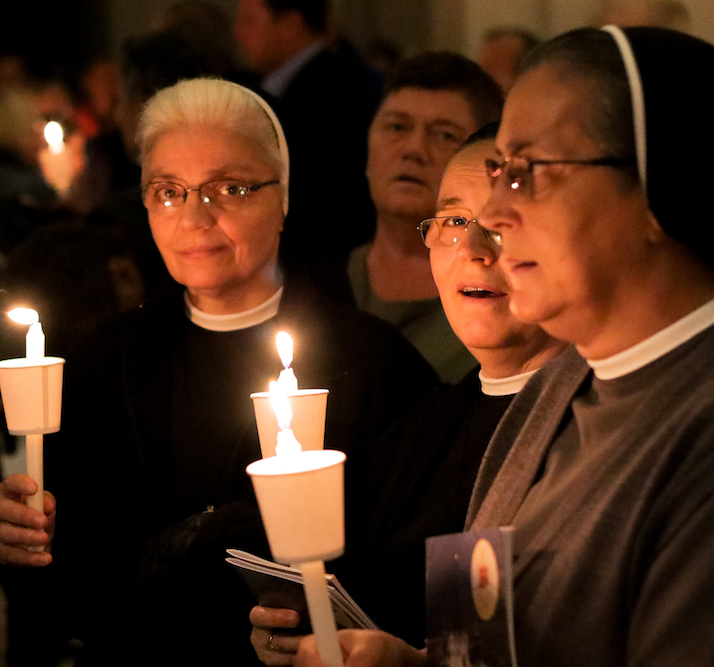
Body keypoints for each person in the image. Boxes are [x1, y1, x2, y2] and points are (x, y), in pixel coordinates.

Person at [294, 25, 714, 667]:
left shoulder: (698, 433)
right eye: (494, 180)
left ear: (658, 185)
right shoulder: (544, 397)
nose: (494, 217)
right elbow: (472, 650)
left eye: (528, 172)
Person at [0, 77, 436, 666]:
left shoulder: (375, 367)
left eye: (230, 187)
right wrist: (18, 534)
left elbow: (404, 578)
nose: (194, 216)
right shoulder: (105, 361)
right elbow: (70, 582)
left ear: (283, 198)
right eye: (168, 191)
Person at [249, 124, 567, 664]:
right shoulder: (426, 423)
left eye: (498, 224)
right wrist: (313, 629)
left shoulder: (586, 422)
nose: (473, 249)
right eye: (454, 222)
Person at [348, 52, 503, 382]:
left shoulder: (495, 305)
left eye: (444, 134)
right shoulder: (319, 284)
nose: (413, 149)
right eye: (397, 127)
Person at [233, 0, 382, 272]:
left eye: (250, 21)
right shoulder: (314, 84)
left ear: (290, 25)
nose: (238, 33)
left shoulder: (322, 98)